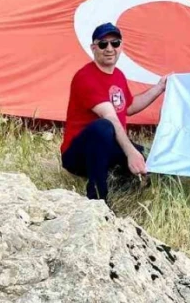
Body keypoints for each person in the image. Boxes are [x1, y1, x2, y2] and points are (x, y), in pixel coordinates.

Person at [62, 23, 168, 201]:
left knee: (153, 159)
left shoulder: (118, 75)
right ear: (93, 48)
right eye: (103, 44)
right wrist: (131, 152)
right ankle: (96, 199)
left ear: (121, 46)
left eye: (115, 43)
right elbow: (110, 116)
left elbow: (128, 108)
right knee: (103, 127)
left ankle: (123, 183)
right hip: (78, 155)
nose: (109, 48)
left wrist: (159, 88)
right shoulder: (85, 77)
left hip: (106, 149)